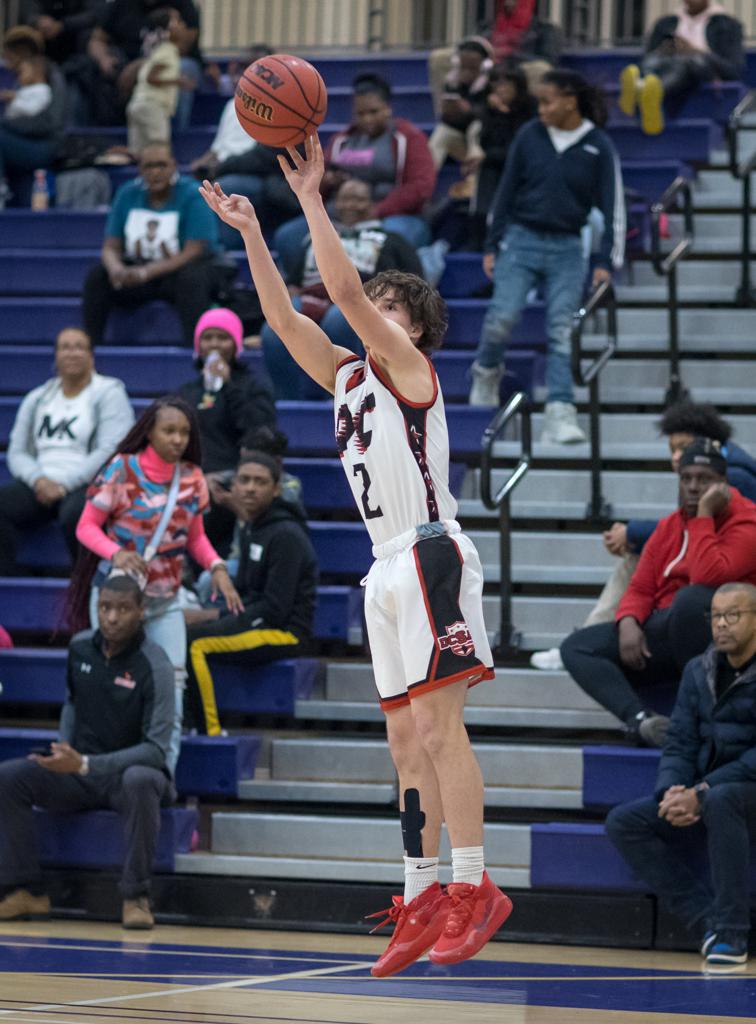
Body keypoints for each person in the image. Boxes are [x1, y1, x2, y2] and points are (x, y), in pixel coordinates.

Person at [200, 133, 512, 978]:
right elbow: (283, 317)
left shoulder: (412, 370)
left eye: (385, 304)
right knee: (406, 746)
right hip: (383, 571)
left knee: (442, 733)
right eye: (371, 303)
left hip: (429, 555)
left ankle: (475, 887)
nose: (367, 308)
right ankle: (418, 894)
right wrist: (252, 233)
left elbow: (337, 289)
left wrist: (309, 196)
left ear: (413, 328)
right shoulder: (347, 380)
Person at [69, 396, 243, 773]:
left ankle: (162, 775)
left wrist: (215, 565)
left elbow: (193, 538)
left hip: (164, 601)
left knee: (172, 687)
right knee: (107, 684)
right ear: (149, 431)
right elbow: (85, 527)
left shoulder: (193, 478)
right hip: (116, 599)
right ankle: (99, 771)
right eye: (169, 430)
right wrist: (115, 553)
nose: (178, 438)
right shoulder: (121, 469)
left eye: (184, 432)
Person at [0, 573, 175, 929]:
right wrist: (64, 752)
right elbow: (72, 704)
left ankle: (135, 896)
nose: (112, 617)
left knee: (141, 779)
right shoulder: (80, 648)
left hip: (127, 777)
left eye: (123, 609)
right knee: (10, 777)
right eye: (105, 607)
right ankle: (25, 890)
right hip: (81, 773)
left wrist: (86, 764)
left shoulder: (155, 664)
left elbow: (155, 751)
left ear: (141, 611)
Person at [531, 401, 756, 671]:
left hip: (724, 584)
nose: (676, 457)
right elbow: (679, 529)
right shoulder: (699, 476)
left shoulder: (733, 478)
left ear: (708, 448)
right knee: (637, 563)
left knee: (675, 589)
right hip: (698, 574)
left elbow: (709, 547)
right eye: (672, 449)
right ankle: (600, 636)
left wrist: (634, 531)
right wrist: (628, 618)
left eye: (683, 447)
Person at [561, 439, 756, 747]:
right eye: (686, 478)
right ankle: (642, 722)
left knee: (690, 601)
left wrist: (704, 516)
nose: (692, 487)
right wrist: (628, 622)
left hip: (719, 633)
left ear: (723, 485)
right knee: (578, 647)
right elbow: (640, 585)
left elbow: (708, 577)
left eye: (703, 479)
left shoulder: (747, 521)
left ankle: (700, 717)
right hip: (667, 629)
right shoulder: (669, 526)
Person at [468, 70, 625, 445]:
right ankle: (486, 371)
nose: (540, 109)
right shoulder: (529, 136)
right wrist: (493, 243)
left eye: (547, 101)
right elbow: (504, 192)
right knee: (500, 318)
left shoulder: (598, 145)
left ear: (570, 101)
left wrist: (605, 259)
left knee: (560, 331)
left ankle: (560, 411)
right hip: (521, 240)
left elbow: (613, 208)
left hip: (569, 247)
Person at [606, 581, 756, 966]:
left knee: (722, 799)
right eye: (716, 616)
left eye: (733, 615)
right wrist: (671, 791)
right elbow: (680, 742)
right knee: (625, 822)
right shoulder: (698, 670)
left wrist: (704, 789)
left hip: (741, 790)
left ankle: (734, 934)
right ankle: (709, 922)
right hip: (708, 790)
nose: (721, 625)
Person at [184, 451, 318, 736]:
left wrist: (209, 617)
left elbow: (274, 610)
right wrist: (213, 617)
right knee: (184, 631)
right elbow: (246, 596)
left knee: (195, 643)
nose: (250, 488)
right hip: (259, 620)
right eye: (244, 480)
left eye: (260, 481)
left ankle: (209, 732)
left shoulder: (286, 535)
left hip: (285, 632)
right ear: (233, 486)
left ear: (276, 489)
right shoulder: (251, 528)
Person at [264, 177, 424, 400]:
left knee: (339, 318)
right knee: (274, 328)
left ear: (372, 203)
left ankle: (344, 394)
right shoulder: (316, 237)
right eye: (345, 199)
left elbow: (413, 281)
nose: (350, 205)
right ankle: (288, 398)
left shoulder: (391, 239)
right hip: (313, 296)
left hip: (360, 301)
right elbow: (295, 278)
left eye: (358, 200)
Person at [0, 327, 134, 576]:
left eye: (79, 347)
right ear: (56, 357)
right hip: (41, 484)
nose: (72, 353)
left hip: (90, 482)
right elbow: (17, 451)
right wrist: (38, 480)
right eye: (65, 347)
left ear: (92, 356)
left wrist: (63, 484)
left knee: (78, 514)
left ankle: (87, 586)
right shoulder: (38, 398)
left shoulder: (109, 392)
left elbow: (110, 450)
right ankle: (9, 582)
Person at [272, 73, 436, 270]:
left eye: (373, 112)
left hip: (390, 215)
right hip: (341, 214)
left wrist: (377, 211)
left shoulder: (408, 138)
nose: (367, 119)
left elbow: (420, 187)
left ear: (388, 109)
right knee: (288, 236)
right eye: (361, 113)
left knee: (393, 238)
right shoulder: (341, 140)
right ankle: (305, 289)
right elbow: (315, 184)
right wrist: (328, 181)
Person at [81, 143, 223, 347]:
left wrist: (146, 272)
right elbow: (111, 246)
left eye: (161, 165)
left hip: (177, 274)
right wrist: (116, 269)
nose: (155, 172)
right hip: (139, 273)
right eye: (148, 166)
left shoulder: (192, 194)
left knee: (193, 278)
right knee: (97, 276)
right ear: (140, 169)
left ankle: (194, 351)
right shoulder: (127, 193)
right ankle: (91, 348)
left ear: (173, 166)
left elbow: (195, 250)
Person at [178, 307, 276, 552]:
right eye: (207, 338)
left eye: (222, 338)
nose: (214, 344)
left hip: (233, 477)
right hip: (192, 478)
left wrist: (229, 385)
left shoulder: (253, 387)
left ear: (236, 344)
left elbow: (258, 433)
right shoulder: (187, 392)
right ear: (197, 345)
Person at [619, 0, 744, 136]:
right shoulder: (666, 23)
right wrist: (665, 49)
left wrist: (694, 50)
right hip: (666, 63)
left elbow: (734, 69)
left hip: (700, 68)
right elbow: (647, 54)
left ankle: (652, 89)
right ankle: (642, 85)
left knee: (687, 62)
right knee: (654, 58)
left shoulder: (727, 24)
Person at [464, 65, 537, 251]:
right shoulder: (488, 110)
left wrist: (506, 114)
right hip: (493, 163)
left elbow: (520, 148)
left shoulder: (531, 109)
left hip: (526, 168)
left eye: (506, 84)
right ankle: (479, 233)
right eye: (496, 84)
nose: (500, 89)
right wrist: (496, 114)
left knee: (492, 165)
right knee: (486, 169)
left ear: (518, 85)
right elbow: (486, 140)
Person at [0, 27, 66, 208]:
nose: (5, 61)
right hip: (25, 142)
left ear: (21, 52)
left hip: (46, 146)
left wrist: (6, 124)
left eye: (8, 55)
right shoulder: (21, 79)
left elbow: (50, 122)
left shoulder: (49, 75)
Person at [428, 36, 493, 172]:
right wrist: (449, 111)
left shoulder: (492, 82)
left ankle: (473, 174)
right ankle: (426, 177)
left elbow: (493, 117)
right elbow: (448, 123)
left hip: (485, 145)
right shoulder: (452, 81)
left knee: (476, 127)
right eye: (464, 67)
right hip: (461, 139)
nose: (467, 72)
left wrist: (470, 110)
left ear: (485, 65)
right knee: (442, 132)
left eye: (473, 68)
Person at [125, 6, 182, 155]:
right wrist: (178, 81)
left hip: (136, 104)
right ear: (168, 28)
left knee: (138, 153)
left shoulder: (155, 50)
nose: (182, 25)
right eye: (177, 21)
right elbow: (152, 78)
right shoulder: (169, 50)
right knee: (160, 148)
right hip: (152, 105)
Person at [0, 54, 52, 119]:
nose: (17, 77)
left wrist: (13, 99)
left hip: (24, 126)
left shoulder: (43, 90)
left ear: (38, 72)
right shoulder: (26, 88)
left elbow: (33, 110)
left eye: (21, 72)